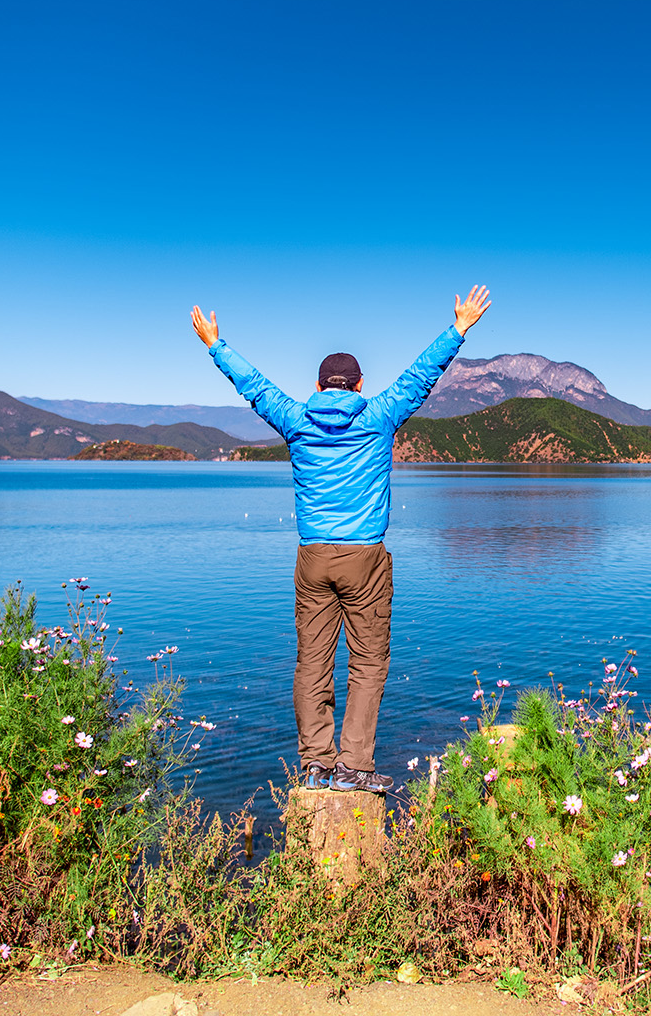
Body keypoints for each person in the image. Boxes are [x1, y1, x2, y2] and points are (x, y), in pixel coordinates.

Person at [191, 285, 492, 794]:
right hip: (365, 559)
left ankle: (315, 764)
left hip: (312, 558)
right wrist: (458, 328)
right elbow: (421, 375)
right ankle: (353, 765)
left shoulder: (295, 418)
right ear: (358, 386)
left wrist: (215, 346)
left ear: (317, 385)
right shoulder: (377, 416)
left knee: (312, 661)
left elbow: (256, 387)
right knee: (368, 662)